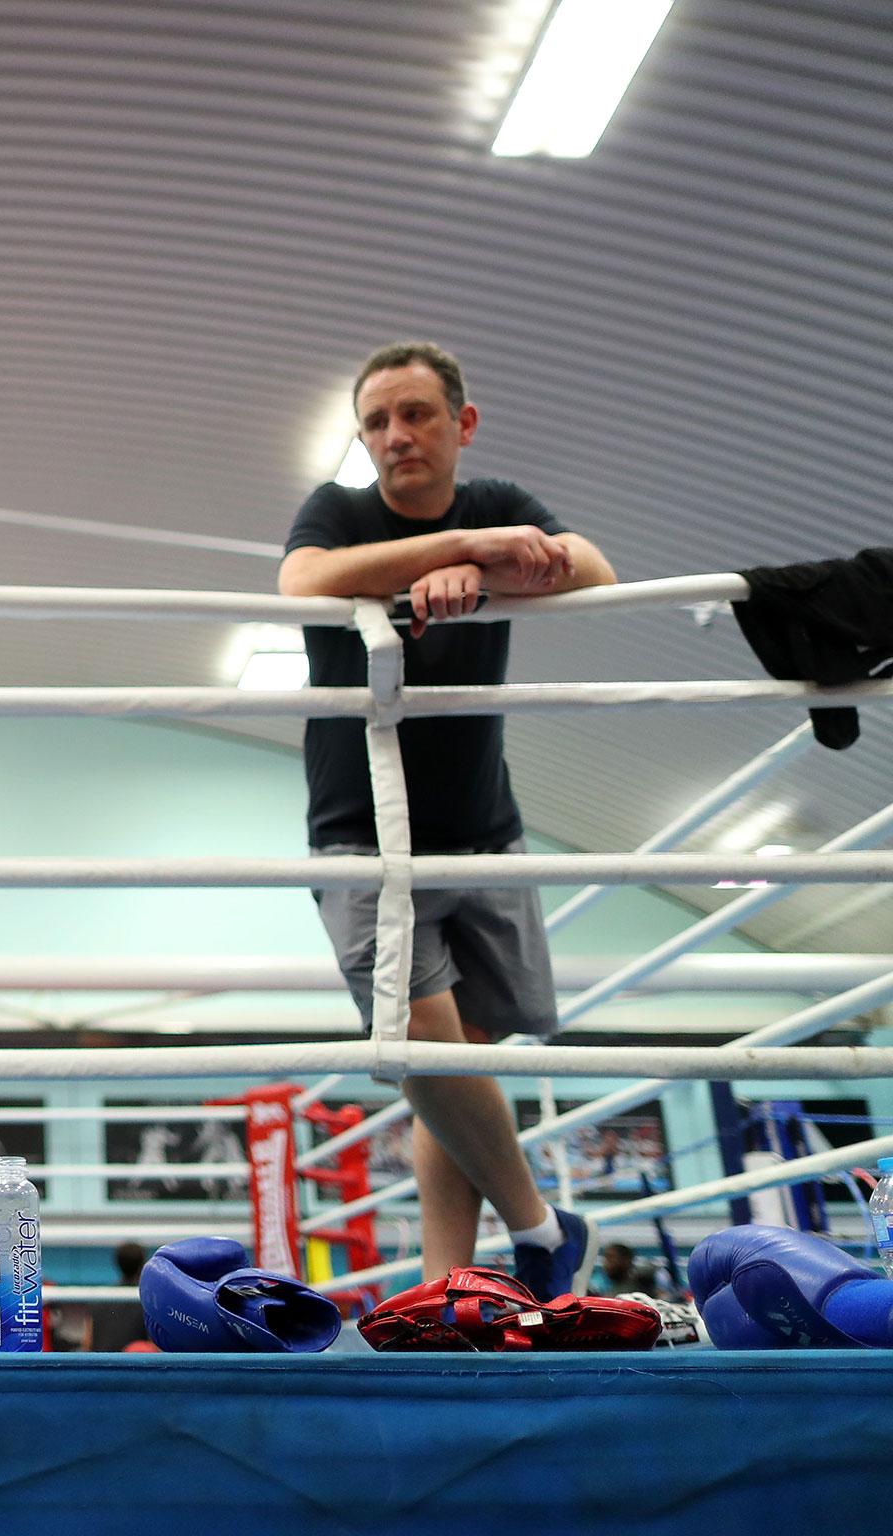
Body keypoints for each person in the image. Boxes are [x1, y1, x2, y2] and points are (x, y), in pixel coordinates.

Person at [279, 343, 617, 1301]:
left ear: (462, 425)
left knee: (456, 1065)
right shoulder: (340, 511)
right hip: (363, 832)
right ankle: (543, 1229)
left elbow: (593, 567)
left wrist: (495, 560)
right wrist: (459, 554)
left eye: (417, 414)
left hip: (482, 827)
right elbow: (303, 582)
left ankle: (453, 1286)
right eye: (378, 421)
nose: (396, 437)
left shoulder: (498, 498)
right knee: (422, 1049)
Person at [86, 1241, 152, 1352]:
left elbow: (87, 1343)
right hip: (130, 1367)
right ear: (143, 1265)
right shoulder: (148, 1302)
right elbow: (153, 1347)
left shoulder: (100, 1300)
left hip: (100, 1366)